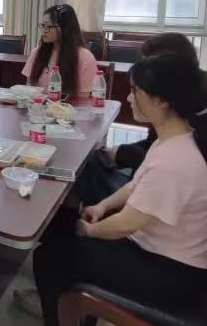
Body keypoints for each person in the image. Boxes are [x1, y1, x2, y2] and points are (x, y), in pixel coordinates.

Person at [32, 54, 207, 326]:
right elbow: (135, 186)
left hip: (172, 274)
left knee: (49, 257)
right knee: (61, 238)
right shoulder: (174, 140)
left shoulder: (176, 162)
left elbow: (127, 223)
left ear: (161, 100)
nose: (129, 98)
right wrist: (102, 206)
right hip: (156, 251)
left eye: (136, 91)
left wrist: (88, 231)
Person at [76, 32, 207, 206]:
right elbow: (154, 144)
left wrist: (122, 153)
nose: (130, 97)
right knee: (91, 160)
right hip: (146, 183)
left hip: (161, 196)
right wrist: (118, 151)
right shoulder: (175, 103)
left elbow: (164, 166)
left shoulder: (192, 123)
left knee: (88, 167)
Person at [22, 4, 97, 98]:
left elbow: (83, 99)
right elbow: (29, 88)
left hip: (68, 107)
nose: (44, 30)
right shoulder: (37, 52)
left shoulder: (85, 57)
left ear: (65, 28)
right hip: (38, 106)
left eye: (48, 26)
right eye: (43, 25)